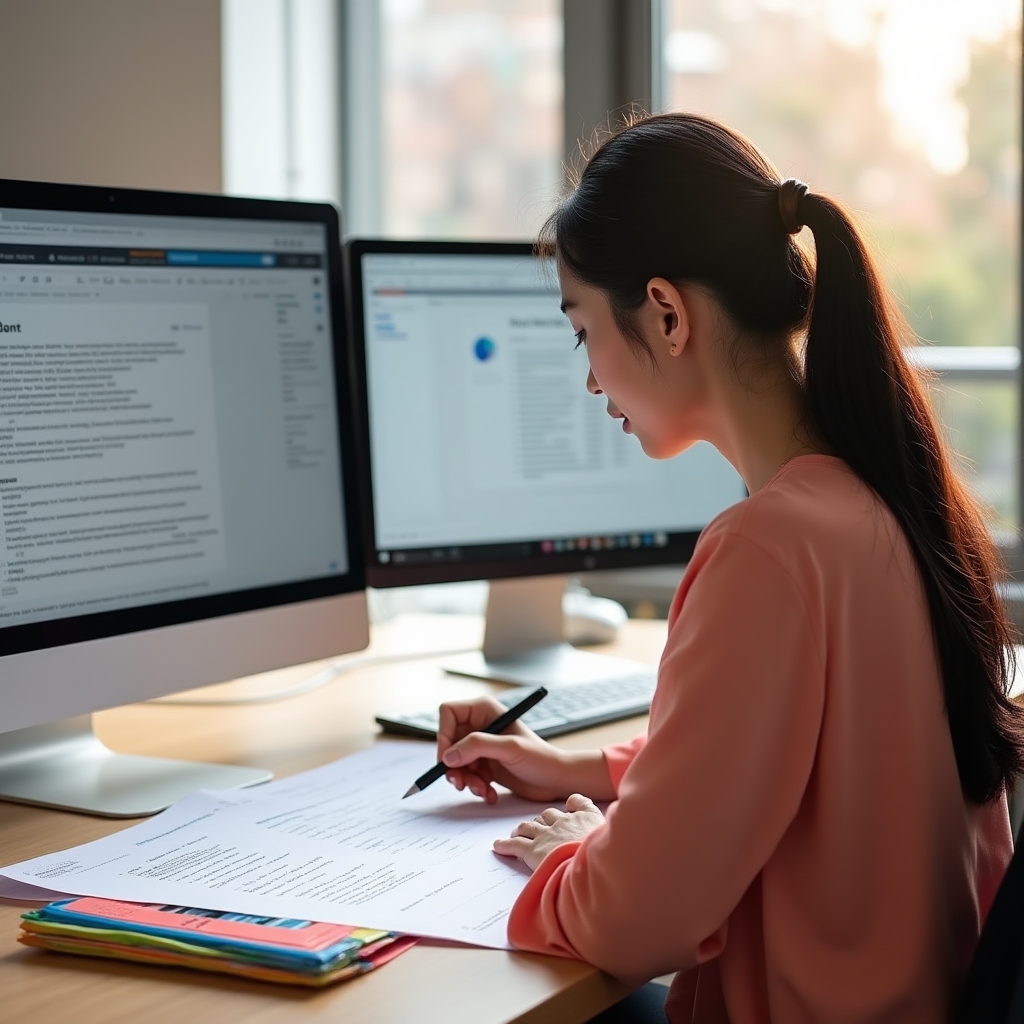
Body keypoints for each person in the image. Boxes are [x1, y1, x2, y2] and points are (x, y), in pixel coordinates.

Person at [435, 113, 1024, 1023]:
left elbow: (633, 922)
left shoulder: (765, 550)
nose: (591, 382)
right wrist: (582, 769)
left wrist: (576, 850)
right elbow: (802, 753)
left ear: (666, 314)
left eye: (582, 331)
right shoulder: (883, 497)